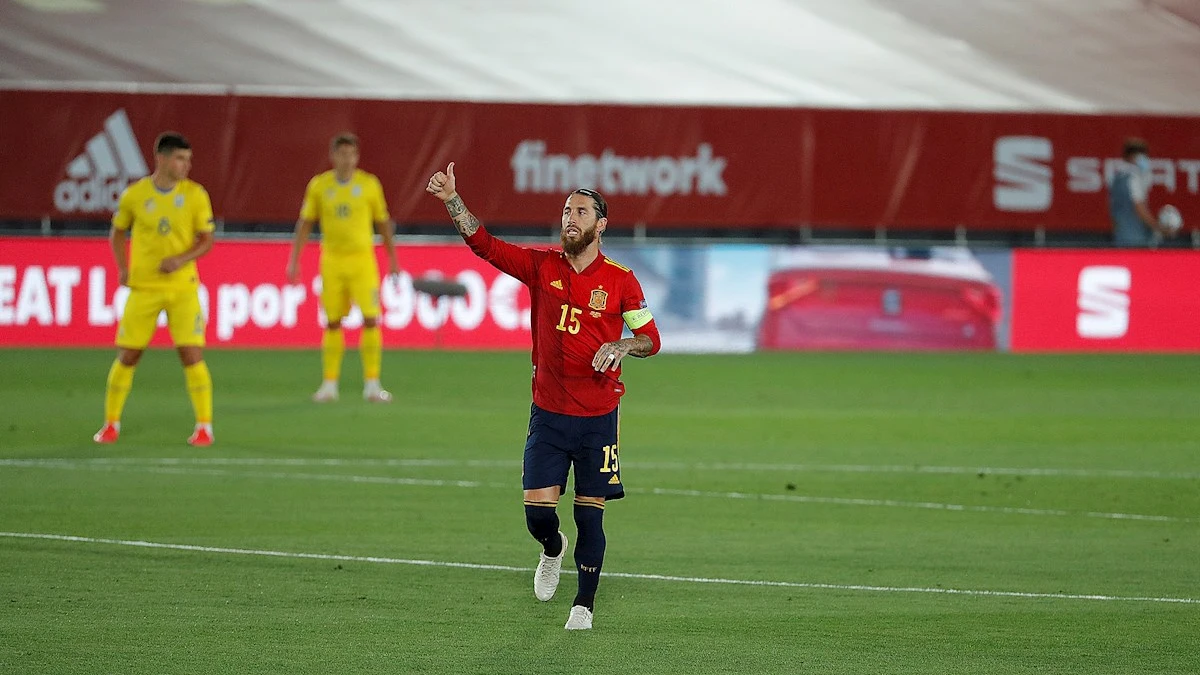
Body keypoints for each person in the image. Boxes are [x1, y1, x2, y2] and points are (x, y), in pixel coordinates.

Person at [425, 162, 661, 631]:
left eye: (579, 212)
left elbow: (650, 339)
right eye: (565, 212)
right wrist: (453, 198)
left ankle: (584, 606)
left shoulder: (621, 281)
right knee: (538, 515)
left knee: (590, 519)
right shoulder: (541, 267)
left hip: (598, 418)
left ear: (600, 224)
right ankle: (553, 549)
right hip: (549, 416)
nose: (569, 219)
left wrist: (621, 344)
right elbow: (484, 245)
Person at [93, 132, 216, 446]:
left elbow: (206, 240)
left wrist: (181, 259)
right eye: (180, 158)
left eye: (188, 159)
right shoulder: (135, 196)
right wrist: (123, 267)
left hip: (182, 287)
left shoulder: (195, 195)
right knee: (129, 354)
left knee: (191, 353)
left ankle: (204, 427)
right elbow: (117, 233)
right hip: (144, 287)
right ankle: (111, 424)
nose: (186, 165)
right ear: (161, 158)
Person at [287, 133, 400, 402]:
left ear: (357, 157)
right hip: (332, 262)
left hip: (363, 261)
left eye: (351, 154)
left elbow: (383, 223)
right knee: (333, 322)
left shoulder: (369, 185)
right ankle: (329, 384)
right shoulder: (319, 186)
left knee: (371, 319)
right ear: (333, 156)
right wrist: (294, 259)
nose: (346, 160)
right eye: (341, 154)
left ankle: (372, 384)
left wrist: (393, 259)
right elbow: (305, 223)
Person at [1108, 137, 1173, 247]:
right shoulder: (1134, 178)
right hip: (1137, 238)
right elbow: (1139, 207)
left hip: (1121, 236)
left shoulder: (1116, 178)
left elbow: (1112, 208)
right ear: (1130, 157)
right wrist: (1157, 226)